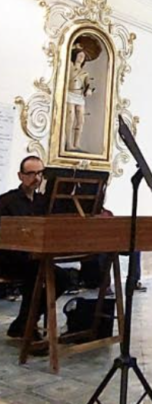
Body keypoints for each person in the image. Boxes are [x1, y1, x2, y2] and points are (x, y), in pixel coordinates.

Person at [0, 156, 70, 340]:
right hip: (9, 259)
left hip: (34, 259)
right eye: (31, 173)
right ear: (20, 176)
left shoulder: (44, 202)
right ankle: (26, 326)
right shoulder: (6, 201)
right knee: (35, 276)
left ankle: (24, 322)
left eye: (40, 173)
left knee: (63, 278)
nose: (36, 178)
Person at [65, 42, 95, 152]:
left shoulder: (85, 72)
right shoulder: (70, 67)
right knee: (70, 119)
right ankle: (68, 143)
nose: (81, 58)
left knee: (80, 120)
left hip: (79, 96)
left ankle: (76, 143)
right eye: (80, 55)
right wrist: (75, 47)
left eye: (83, 56)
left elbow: (88, 84)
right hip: (70, 94)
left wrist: (89, 89)